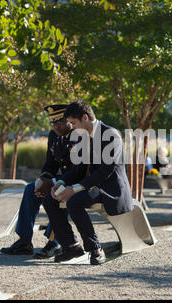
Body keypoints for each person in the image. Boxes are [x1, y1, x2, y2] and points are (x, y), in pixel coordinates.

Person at [49, 100, 133, 265]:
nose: (71, 127)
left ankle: (95, 249)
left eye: (73, 123)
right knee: (49, 199)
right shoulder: (82, 137)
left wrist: (74, 189)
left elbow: (105, 172)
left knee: (75, 201)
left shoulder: (111, 134)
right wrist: (60, 182)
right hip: (92, 186)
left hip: (110, 188)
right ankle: (71, 246)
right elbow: (76, 169)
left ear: (85, 118)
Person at [0, 104, 86, 259]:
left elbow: (77, 170)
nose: (55, 126)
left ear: (69, 121)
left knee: (54, 194)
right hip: (60, 179)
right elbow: (50, 163)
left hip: (76, 182)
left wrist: (54, 182)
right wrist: (43, 179)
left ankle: (55, 242)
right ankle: (24, 241)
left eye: (59, 122)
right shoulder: (54, 136)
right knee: (30, 189)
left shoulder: (79, 136)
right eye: (52, 123)